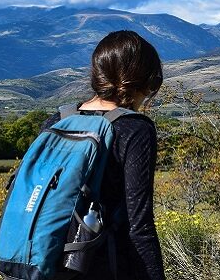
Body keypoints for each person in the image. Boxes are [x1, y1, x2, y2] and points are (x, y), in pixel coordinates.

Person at [40, 30, 165, 280]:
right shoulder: (135, 129)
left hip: (45, 264)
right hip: (103, 267)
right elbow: (139, 226)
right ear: (146, 82)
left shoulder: (57, 121)